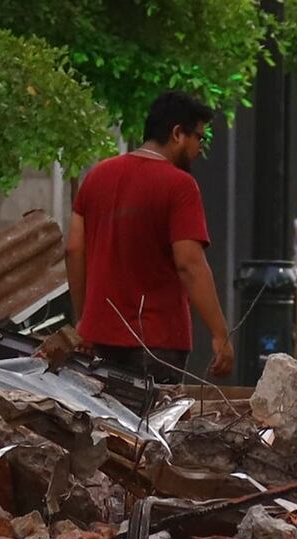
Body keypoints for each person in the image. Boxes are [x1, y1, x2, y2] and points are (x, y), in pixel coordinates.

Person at [66, 92, 233, 382]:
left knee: (103, 413)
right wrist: (220, 333)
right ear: (177, 134)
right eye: (199, 138)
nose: (199, 149)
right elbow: (190, 264)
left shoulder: (97, 176)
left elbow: (73, 250)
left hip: (100, 338)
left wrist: (85, 319)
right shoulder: (180, 186)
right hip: (158, 342)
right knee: (152, 413)